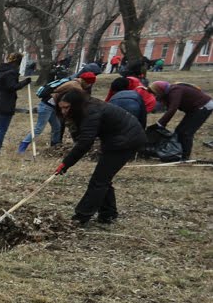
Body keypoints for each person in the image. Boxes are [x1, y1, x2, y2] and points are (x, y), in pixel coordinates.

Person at [53, 88, 146, 226]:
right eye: (61, 108)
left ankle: (81, 217)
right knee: (103, 178)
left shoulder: (91, 111)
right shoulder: (85, 108)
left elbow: (85, 143)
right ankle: (108, 214)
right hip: (117, 139)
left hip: (126, 141)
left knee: (99, 181)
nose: (63, 111)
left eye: (66, 107)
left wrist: (66, 163)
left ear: (76, 104)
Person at [148, 80, 212, 162]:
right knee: (179, 131)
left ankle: (185, 157)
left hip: (204, 106)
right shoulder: (168, 92)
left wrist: (160, 124)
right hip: (194, 109)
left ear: (160, 90)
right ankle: (178, 154)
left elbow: (172, 109)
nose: (155, 95)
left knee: (186, 133)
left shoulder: (175, 91)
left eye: (155, 93)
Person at [0, 51, 24, 156]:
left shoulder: (0, 71)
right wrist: (24, 82)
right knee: (1, 129)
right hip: (5, 103)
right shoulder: (11, 72)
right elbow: (11, 87)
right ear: (18, 62)